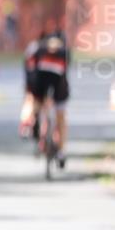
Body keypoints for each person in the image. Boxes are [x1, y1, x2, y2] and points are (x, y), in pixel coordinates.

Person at [31, 20, 70, 167]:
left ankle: (37, 124)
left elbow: (32, 70)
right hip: (58, 83)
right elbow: (66, 70)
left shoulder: (39, 48)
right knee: (61, 117)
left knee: (41, 106)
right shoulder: (64, 51)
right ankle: (61, 151)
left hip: (42, 81)